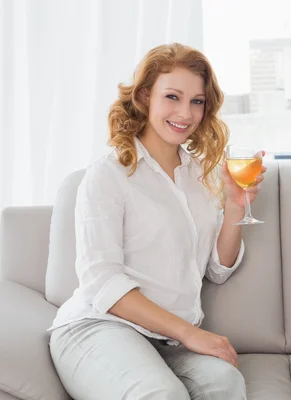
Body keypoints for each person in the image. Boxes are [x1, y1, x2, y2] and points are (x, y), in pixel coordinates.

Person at [48, 43, 264, 400]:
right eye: (173, 97)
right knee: (160, 394)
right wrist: (190, 333)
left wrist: (236, 208)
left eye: (197, 101)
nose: (186, 112)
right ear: (146, 96)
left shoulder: (199, 176)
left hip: (168, 341)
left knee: (226, 384)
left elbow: (218, 270)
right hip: (101, 326)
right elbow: (102, 283)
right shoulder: (109, 175)